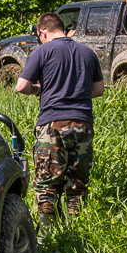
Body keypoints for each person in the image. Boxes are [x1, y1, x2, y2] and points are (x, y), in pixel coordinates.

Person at [15, 12, 104, 232]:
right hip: (83, 125)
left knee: (47, 184)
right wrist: (77, 93)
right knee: (77, 184)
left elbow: (21, 86)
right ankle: (74, 232)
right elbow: (99, 90)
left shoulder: (42, 51)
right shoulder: (87, 53)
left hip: (52, 126)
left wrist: (39, 90)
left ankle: (47, 235)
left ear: (42, 32)